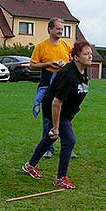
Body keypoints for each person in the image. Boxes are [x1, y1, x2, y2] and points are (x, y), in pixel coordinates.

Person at [22, 40, 93, 189]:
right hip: (56, 110)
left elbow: (81, 90)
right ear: (76, 57)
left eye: (90, 53)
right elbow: (56, 102)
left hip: (66, 111)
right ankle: (61, 178)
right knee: (69, 140)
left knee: (50, 138)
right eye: (86, 54)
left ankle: (30, 165)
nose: (90, 56)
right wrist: (56, 126)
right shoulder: (69, 75)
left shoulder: (82, 70)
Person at [30, 17, 77, 159]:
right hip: (47, 83)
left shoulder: (66, 46)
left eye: (62, 29)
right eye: (58, 28)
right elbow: (32, 65)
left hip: (64, 84)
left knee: (66, 117)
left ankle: (67, 146)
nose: (60, 31)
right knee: (47, 119)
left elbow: (73, 62)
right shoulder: (41, 46)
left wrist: (65, 65)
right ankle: (47, 148)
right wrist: (49, 64)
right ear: (50, 29)